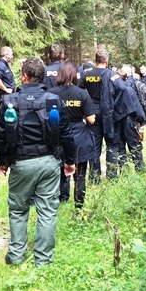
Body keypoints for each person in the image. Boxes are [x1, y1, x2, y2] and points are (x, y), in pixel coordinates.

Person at [0, 57, 76, 266]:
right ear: (41, 77)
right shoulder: (53, 100)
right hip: (49, 162)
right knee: (47, 211)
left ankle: (15, 255)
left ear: (23, 76)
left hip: (21, 164)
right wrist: (70, 162)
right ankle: (43, 260)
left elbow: (0, 136)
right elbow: (66, 135)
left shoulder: (9, 101)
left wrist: (2, 161)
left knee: (18, 210)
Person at [48, 61, 96, 208]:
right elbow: (91, 119)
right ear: (74, 75)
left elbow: (49, 118)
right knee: (80, 176)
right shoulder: (82, 93)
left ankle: (60, 202)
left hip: (58, 138)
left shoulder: (52, 94)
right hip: (80, 137)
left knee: (60, 174)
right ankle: (79, 208)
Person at [78, 49, 123, 180]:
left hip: (92, 114)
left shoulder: (86, 75)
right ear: (106, 60)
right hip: (108, 113)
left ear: (96, 59)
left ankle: (94, 178)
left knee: (94, 146)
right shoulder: (112, 74)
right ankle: (112, 177)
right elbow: (122, 89)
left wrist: (84, 108)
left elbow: (78, 90)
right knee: (112, 144)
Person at [114, 67, 146, 172]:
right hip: (129, 121)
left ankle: (124, 171)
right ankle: (140, 170)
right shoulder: (129, 90)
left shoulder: (111, 90)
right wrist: (141, 121)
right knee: (135, 146)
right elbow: (137, 107)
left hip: (117, 122)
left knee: (120, 148)